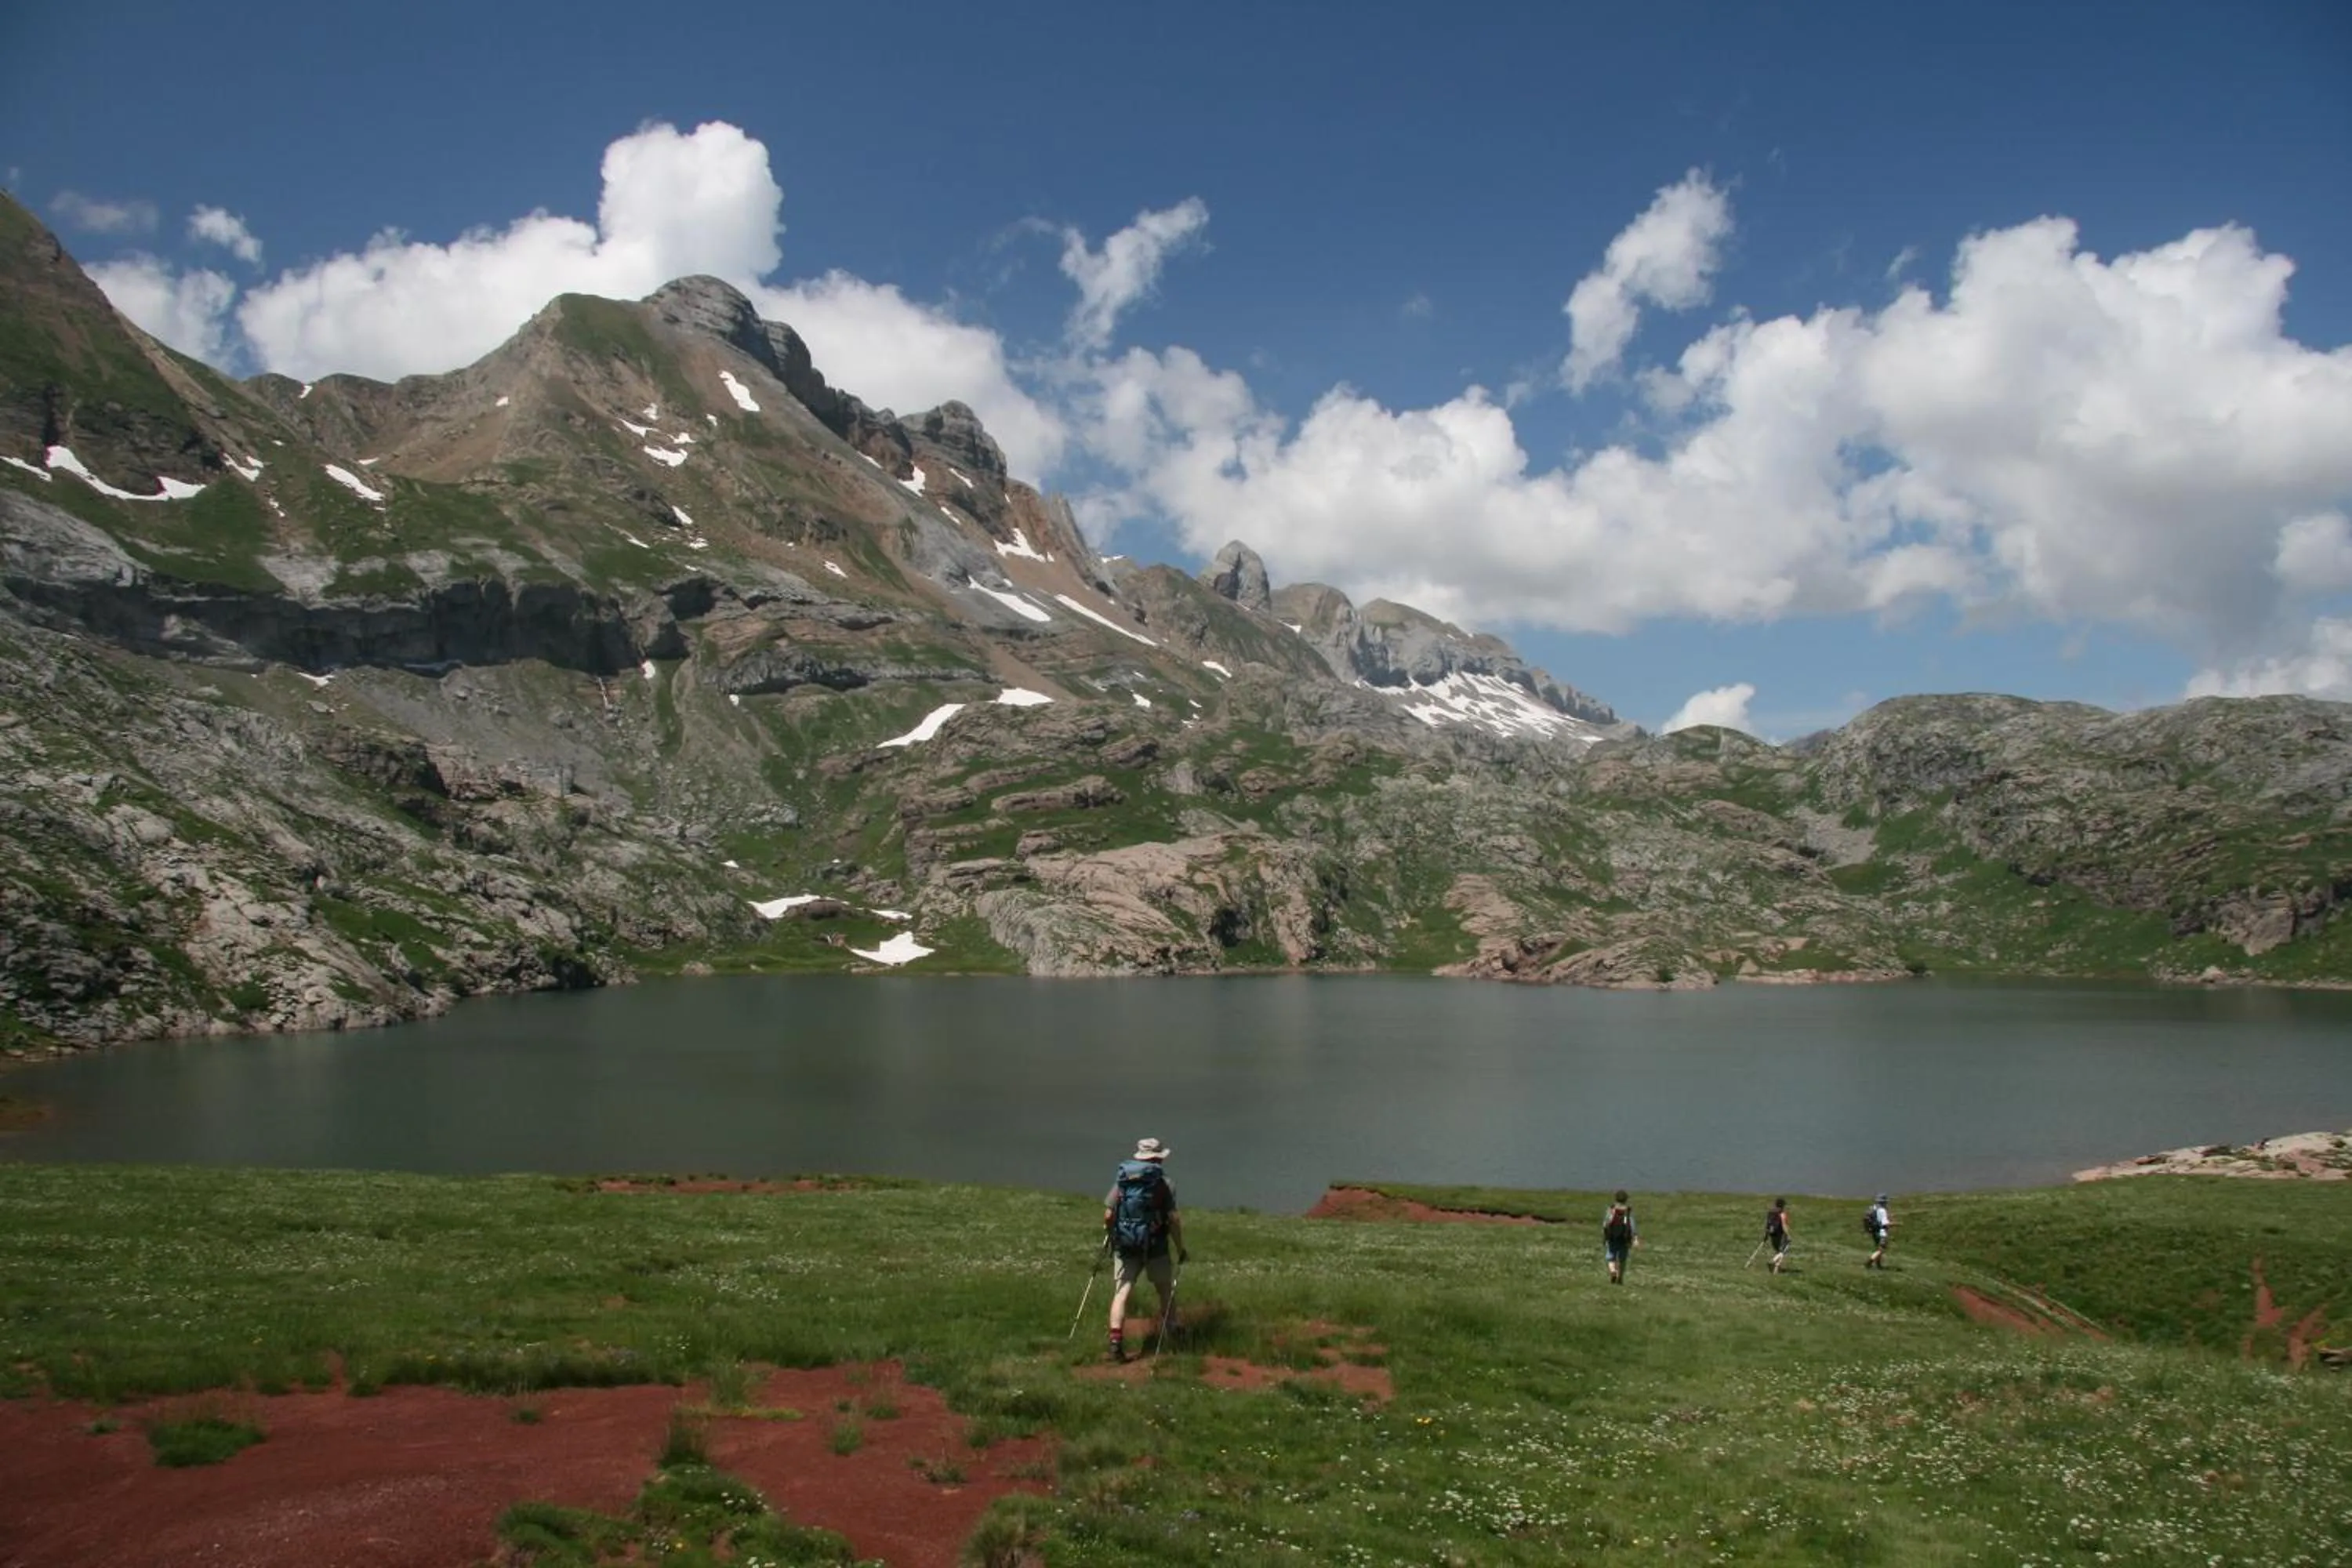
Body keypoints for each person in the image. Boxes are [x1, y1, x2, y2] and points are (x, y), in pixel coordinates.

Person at [1102, 1136, 1185, 1362]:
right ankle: (1173, 1332)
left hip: (1126, 1244)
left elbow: (1108, 1214)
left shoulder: (1123, 1179)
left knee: (1122, 1292)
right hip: (1155, 1244)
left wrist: (1112, 1235)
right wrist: (1180, 1248)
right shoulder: (1164, 1183)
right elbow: (1173, 1219)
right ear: (1159, 1158)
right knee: (1165, 1289)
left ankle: (1115, 1343)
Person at [1602, 1189, 1639, 1284]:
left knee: (1611, 1257)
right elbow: (1632, 1225)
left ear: (1616, 1199)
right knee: (1622, 1259)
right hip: (1624, 1238)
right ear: (1626, 1199)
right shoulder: (1628, 1211)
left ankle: (1613, 1271)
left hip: (1612, 1237)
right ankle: (1620, 1278)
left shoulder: (1612, 1209)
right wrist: (1635, 1238)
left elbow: (1606, 1223)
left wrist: (1605, 1236)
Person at [1864, 1193, 1893, 1269]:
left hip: (1874, 1231)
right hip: (1881, 1232)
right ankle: (1869, 1262)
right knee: (1882, 1249)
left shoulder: (1872, 1208)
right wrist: (1896, 1224)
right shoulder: (1882, 1211)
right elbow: (1885, 1223)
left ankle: (1878, 1265)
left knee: (1878, 1248)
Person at [1766, 1197, 1792, 1274]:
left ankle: (1776, 1270)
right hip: (1780, 1235)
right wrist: (1788, 1235)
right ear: (1783, 1205)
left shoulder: (1771, 1213)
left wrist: (1767, 1234)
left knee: (1778, 1251)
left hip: (1772, 1234)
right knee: (1784, 1251)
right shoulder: (1782, 1214)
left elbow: (1768, 1224)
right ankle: (1773, 1262)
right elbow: (1784, 1226)